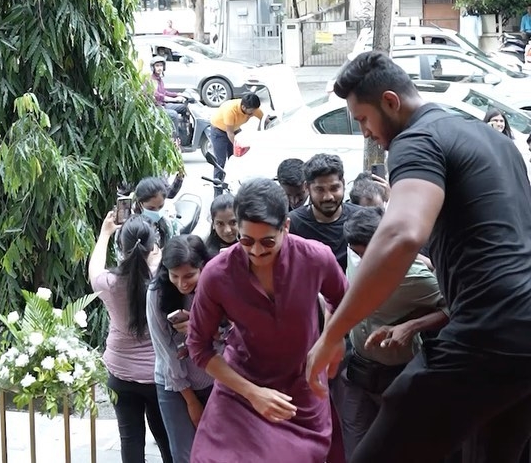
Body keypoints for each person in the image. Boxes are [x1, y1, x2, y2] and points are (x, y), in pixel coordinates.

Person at [306, 50, 531, 463]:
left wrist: (333, 333)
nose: (366, 133)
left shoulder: (417, 139)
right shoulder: (494, 140)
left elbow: (402, 233)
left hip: (489, 330)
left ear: (390, 102)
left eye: (362, 119)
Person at [186, 178, 347, 463]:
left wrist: (332, 341)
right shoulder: (217, 274)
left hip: (301, 386)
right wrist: (253, 393)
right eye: (246, 241)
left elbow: (344, 299)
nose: (257, 252)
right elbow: (199, 346)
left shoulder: (315, 258)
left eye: (267, 242)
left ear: (285, 226)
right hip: (242, 385)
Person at [340, 206, 448, 458]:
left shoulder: (414, 276)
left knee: (403, 445)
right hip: (356, 369)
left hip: (397, 375)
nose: (367, 263)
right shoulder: (353, 251)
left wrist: (411, 326)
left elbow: (457, 306)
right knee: (356, 445)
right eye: (360, 256)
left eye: (374, 255)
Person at [88, 214, 172, 463]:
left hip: (120, 374)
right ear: (153, 247)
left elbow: (94, 270)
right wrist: (158, 260)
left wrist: (104, 233)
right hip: (158, 376)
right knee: (167, 440)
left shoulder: (109, 283)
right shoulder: (164, 282)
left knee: (130, 440)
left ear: (121, 249)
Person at [146, 235, 215, 463]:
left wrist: (199, 327)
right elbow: (164, 350)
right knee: (184, 455)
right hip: (174, 383)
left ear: (202, 266)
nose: (182, 283)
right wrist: (191, 401)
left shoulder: (216, 286)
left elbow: (231, 335)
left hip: (215, 377)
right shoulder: (157, 292)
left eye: (189, 275)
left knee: (218, 450)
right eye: (174, 275)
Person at [288, 154, 361, 273]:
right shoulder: (293, 224)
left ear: (343, 183)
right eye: (320, 190)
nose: (328, 197)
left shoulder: (360, 219)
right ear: (307, 188)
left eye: (334, 188)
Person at [208, 93, 262, 179]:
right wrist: (239, 146)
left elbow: (264, 119)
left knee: (237, 159)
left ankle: (234, 183)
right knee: (220, 162)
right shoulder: (230, 110)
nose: (253, 113)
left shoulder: (252, 108)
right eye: (251, 111)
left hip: (234, 129)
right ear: (244, 107)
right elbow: (230, 132)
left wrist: (260, 130)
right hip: (219, 131)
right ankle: (218, 190)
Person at [134, 177, 179, 250]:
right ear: (140, 204)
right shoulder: (129, 229)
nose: (157, 212)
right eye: (151, 208)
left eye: (161, 206)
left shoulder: (170, 225)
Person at [150, 57, 186, 144]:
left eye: (161, 66)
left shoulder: (159, 79)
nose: (159, 68)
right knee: (173, 114)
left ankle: (184, 131)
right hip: (156, 108)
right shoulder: (152, 80)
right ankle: (174, 138)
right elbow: (158, 96)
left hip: (163, 105)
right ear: (153, 68)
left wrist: (177, 94)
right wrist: (175, 99)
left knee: (183, 108)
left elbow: (164, 92)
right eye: (157, 66)